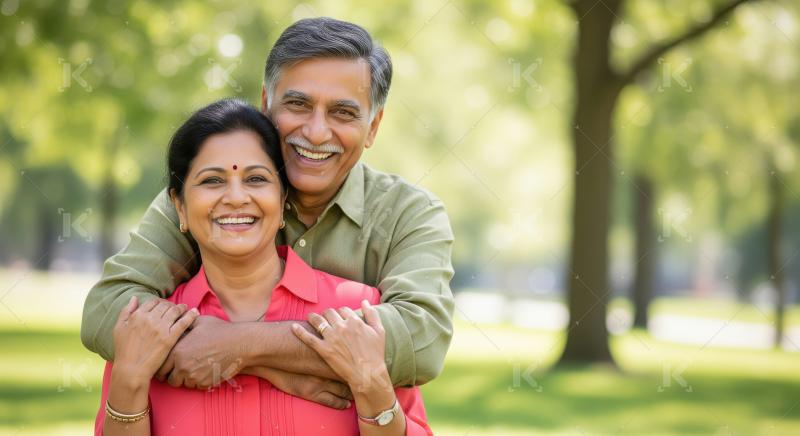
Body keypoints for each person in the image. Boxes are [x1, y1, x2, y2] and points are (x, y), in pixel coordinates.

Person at [81, 17, 455, 407]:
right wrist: (270, 367)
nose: (315, 132)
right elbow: (107, 310)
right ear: (265, 103)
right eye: (298, 104)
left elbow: (419, 341)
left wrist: (242, 345)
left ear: (373, 127)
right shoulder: (212, 199)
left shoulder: (410, 213)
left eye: (343, 113)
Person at [96, 99, 432, 435]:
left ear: (284, 198)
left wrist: (372, 386)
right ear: (179, 207)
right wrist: (129, 381)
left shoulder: (360, 312)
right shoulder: (145, 332)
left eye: (256, 179)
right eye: (212, 181)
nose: (236, 197)